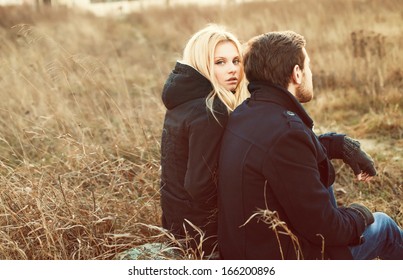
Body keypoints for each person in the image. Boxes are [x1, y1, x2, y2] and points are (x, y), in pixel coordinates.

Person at [218, 31, 403, 260]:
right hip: (289, 259)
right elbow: (327, 231)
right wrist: (360, 214)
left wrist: (340, 144)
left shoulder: (246, 113)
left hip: (253, 249)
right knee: (384, 226)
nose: (310, 74)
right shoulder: (286, 134)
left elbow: (285, 158)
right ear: (297, 73)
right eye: (308, 68)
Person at [159, 24, 249, 258]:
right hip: (203, 234)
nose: (232, 70)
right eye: (220, 62)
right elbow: (199, 185)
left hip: (176, 222)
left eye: (236, 61)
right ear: (202, 63)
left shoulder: (184, 99)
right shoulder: (210, 108)